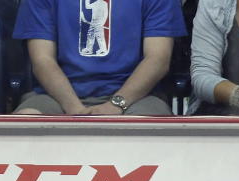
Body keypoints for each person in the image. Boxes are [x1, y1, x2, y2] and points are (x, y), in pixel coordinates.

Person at [11, 0, 185, 115]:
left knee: (144, 129)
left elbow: (158, 59)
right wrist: (74, 108)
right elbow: (42, 61)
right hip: (57, 96)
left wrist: (116, 105)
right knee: (25, 121)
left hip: (137, 98)